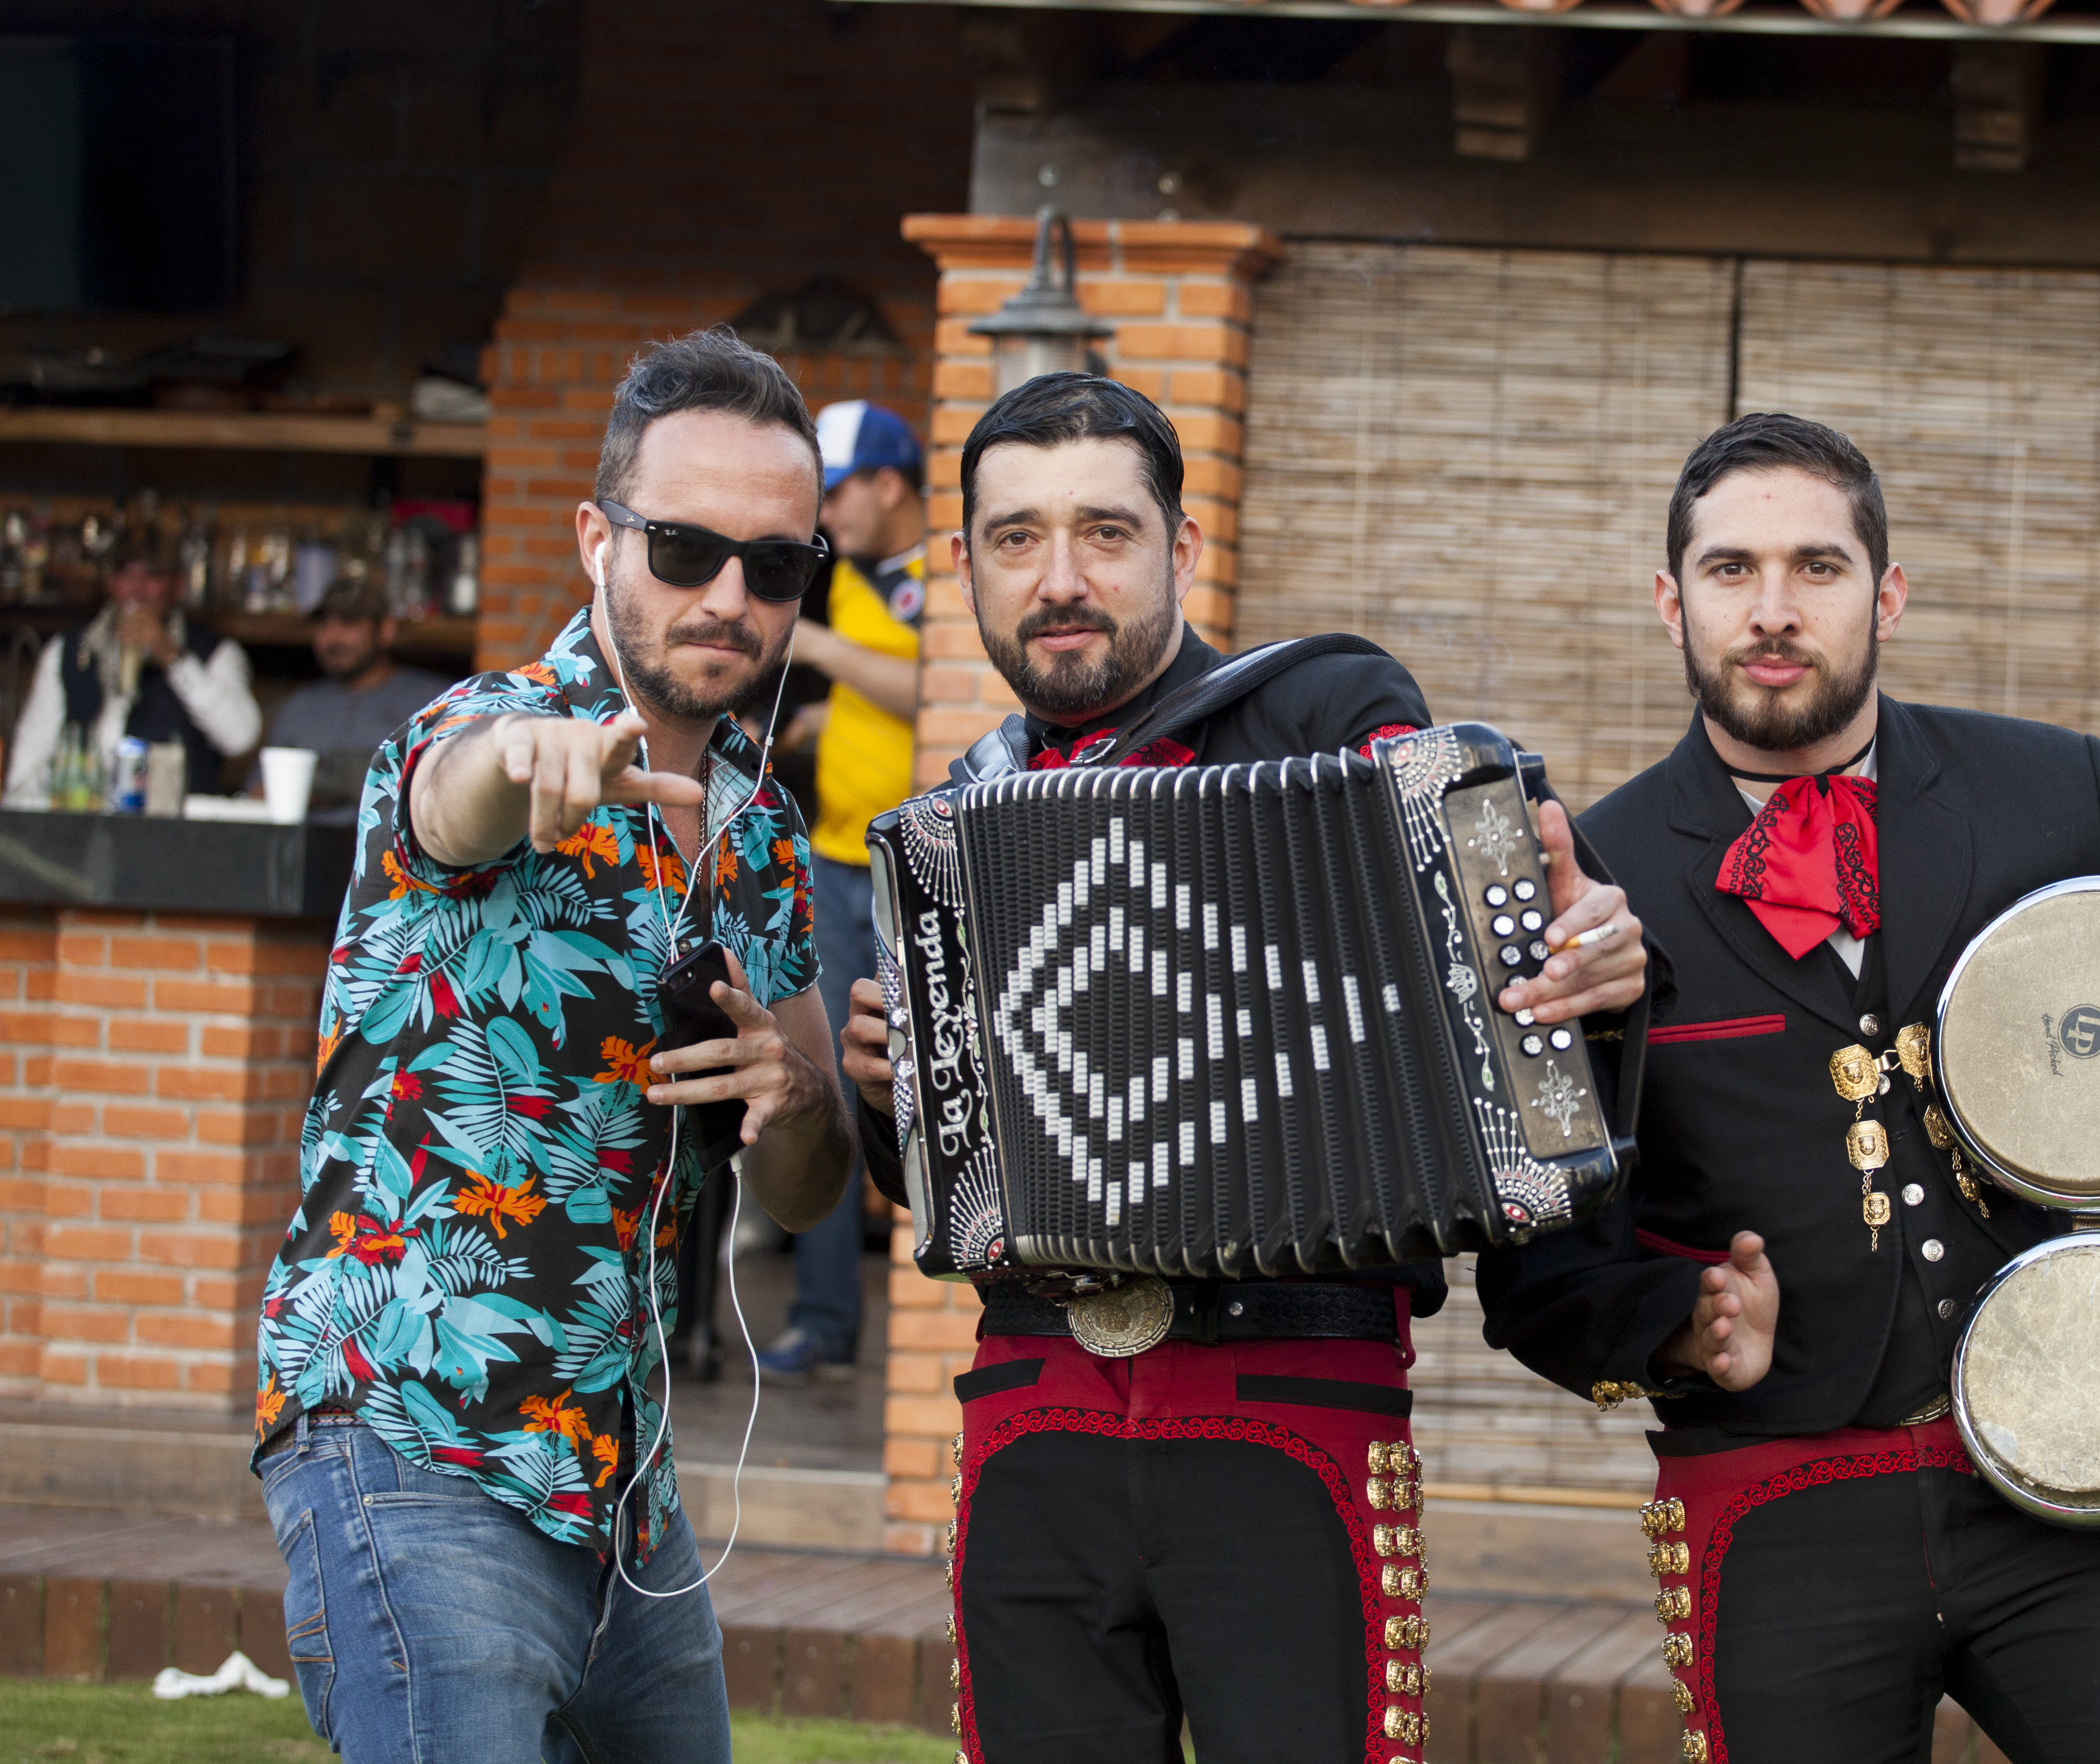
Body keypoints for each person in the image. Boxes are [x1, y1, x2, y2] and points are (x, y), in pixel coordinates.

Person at [1477, 413, 2100, 1764]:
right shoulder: (1582, 886)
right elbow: (1532, 1271)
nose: (1771, 611)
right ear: (1669, 601)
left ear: (1883, 592)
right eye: (1728, 572)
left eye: (1815, 568)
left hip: (2067, 1483)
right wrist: (1678, 1327)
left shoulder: (2051, 793)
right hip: (1769, 1505)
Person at [835, 372, 1648, 1764]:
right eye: (1016, 539)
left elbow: (1492, 944)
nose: (1059, 578)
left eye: (1104, 532)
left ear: (1182, 549)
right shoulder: (950, 820)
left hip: (1290, 1407)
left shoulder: (1321, 713)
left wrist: (1579, 966)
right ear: (963, 564)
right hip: (1031, 1411)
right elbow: (944, 1199)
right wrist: (882, 1089)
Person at [248, 328, 851, 1764]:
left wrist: (798, 1089)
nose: (727, 597)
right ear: (596, 538)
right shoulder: (476, 729)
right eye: (686, 548)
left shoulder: (759, 836)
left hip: (624, 1493)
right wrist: (530, 766)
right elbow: (452, 801)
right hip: (412, 1436)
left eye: (773, 566)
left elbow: (809, 1189)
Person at [754, 398, 927, 1382]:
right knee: (818, 1082)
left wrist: (818, 656)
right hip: (831, 856)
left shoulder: (942, 576)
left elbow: (929, 687)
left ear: (887, 484)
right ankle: (823, 1321)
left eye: (837, 488)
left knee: (912, 1091)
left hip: (917, 873)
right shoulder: (848, 578)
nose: (825, 510)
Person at [3, 536, 261, 804]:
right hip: (83, 830)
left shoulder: (214, 653)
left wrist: (171, 656)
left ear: (178, 584)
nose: (137, 590)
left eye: (151, 576)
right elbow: (26, 768)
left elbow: (241, 737)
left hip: (178, 836)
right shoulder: (67, 652)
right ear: (110, 583)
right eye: (125, 574)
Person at [262, 579, 452, 822]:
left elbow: (445, 791)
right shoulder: (301, 706)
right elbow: (260, 792)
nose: (334, 637)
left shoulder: (431, 702)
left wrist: (326, 783)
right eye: (324, 625)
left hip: (392, 856)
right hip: (303, 853)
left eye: (349, 623)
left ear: (386, 630)